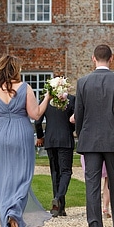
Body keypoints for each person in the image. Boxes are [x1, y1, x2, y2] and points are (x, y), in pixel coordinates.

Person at [0, 55, 51, 227]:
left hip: (1, 134)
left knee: (3, 177)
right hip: (21, 133)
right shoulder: (25, 88)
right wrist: (48, 97)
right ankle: (14, 213)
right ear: (15, 69)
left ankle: (7, 217)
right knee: (22, 176)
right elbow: (35, 114)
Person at [74, 45, 114, 227]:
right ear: (111, 58)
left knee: (91, 184)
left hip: (89, 139)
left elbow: (79, 113)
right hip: (113, 139)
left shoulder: (83, 82)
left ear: (93, 58)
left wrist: (81, 133)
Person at [34, 88, 75, 217]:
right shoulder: (72, 100)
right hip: (65, 139)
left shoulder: (46, 99)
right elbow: (76, 119)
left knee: (55, 172)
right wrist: (72, 130)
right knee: (66, 171)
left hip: (50, 139)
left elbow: (37, 121)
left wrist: (40, 136)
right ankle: (58, 198)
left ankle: (59, 208)